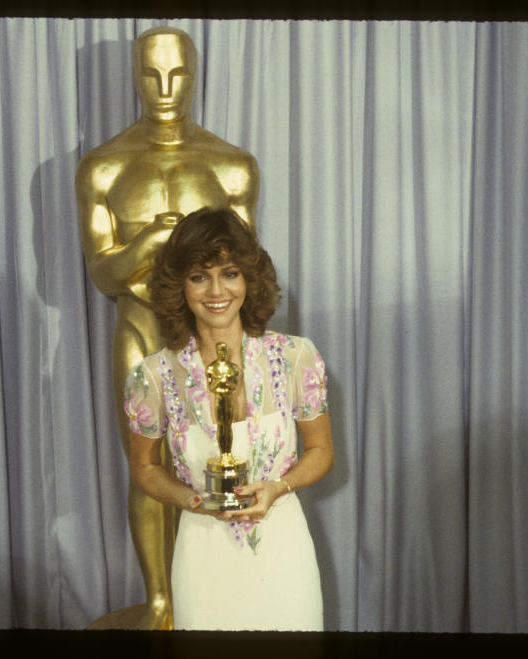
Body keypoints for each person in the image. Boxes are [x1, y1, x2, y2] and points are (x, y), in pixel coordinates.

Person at [76, 26, 259, 629]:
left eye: (178, 74)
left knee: (213, 459)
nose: (165, 88)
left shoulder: (230, 166)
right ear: (132, 75)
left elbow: (245, 268)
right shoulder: (104, 167)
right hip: (139, 329)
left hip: (212, 338)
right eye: (151, 74)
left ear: (196, 75)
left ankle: (202, 593)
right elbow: (102, 273)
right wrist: (155, 239)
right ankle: (161, 597)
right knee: (148, 467)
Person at [124, 207, 334, 631]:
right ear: (178, 287)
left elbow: (321, 450)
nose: (216, 290)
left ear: (249, 280)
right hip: (202, 557)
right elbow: (144, 467)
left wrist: (278, 487)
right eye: (199, 276)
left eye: (230, 273)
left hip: (283, 552)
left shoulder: (296, 357)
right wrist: (190, 500)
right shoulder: (152, 376)